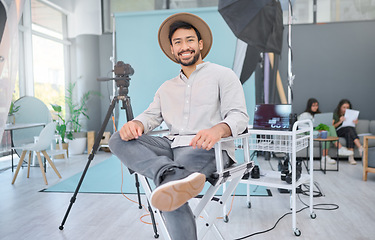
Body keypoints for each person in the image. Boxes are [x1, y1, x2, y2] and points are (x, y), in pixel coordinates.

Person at [108, 12, 249, 240]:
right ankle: (167, 171)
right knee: (117, 139)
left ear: (200, 44)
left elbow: (239, 116)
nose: (185, 46)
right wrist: (136, 123)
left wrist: (217, 130)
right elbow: (151, 116)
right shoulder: (166, 87)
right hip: (171, 147)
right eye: (178, 42)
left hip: (207, 148)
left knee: (169, 190)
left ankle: (169, 176)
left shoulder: (224, 75)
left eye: (190, 40)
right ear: (173, 50)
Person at [298, 98, 353, 164]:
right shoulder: (305, 114)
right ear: (309, 106)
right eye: (313, 106)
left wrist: (322, 128)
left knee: (328, 130)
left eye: (316, 105)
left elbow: (321, 125)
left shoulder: (319, 114)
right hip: (310, 131)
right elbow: (302, 126)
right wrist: (316, 129)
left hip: (319, 131)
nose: (315, 107)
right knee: (326, 132)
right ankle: (338, 149)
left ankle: (325, 156)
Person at [333, 99, 363, 165]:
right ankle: (360, 147)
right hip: (338, 132)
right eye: (344, 107)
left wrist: (355, 122)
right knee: (349, 129)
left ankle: (351, 157)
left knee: (349, 131)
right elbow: (332, 127)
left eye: (347, 107)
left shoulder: (350, 114)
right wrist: (340, 121)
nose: (345, 109)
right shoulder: (335, 114)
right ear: (340, 107)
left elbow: (351, 126)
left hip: (347, 131)